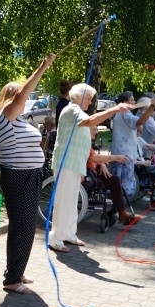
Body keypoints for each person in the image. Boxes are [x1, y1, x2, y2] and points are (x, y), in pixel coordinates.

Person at [0, 54, 56, 293]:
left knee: (24, 226)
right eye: (22, 97)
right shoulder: (5, 115)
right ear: (13, 98)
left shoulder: (17, 120)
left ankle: (15, 272)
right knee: (23, 226)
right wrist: (42, 67)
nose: (26, 100)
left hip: (30, 175)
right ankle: (12, 280)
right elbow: (21, 96)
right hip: (19, 176)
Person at [50, 83, 133, 251]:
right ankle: (55, 238)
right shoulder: (71, 110)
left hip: (74, 164)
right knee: (63, 201)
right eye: (88, 98)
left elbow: (86, 145)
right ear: (79, 97)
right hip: (66, 163)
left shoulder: (78, 112)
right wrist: (113, 110)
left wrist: (82, 168)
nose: (90, 101)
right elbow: (89, 121)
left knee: (72, 201)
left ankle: (69, 234)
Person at [110, 92, 155, 197]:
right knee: (124, 185)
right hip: (124, 154)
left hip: (121, 152)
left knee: (119, 184)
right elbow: (139, 122)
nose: (134, 102)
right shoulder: (124, 113)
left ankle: (119, 203)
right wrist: (152, 108)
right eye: (132, 100)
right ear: (125, 102)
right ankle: (121, 204)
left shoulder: (121, 113)